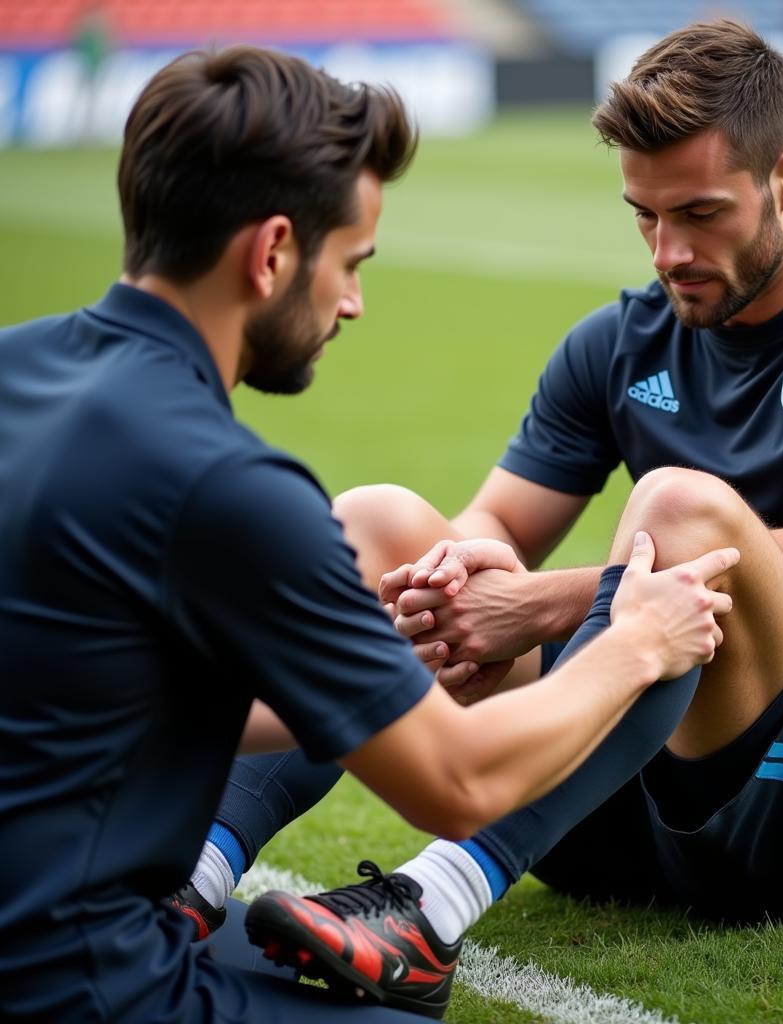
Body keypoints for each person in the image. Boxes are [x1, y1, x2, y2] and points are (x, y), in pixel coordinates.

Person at [194, 17, 783, 1019]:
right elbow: (488, 523)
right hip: (613, 804)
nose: (671, 251)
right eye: (644, 216)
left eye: (700, 213)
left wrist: (535, 608)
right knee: (381, 526)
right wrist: (456, 574)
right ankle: (190, 871)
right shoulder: (621, 340)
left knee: (681, 508)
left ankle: (429, 904)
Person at [0, 45, 739, 1024]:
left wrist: (363, 671)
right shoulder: (232, 485)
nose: (352, 302)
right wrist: (638, 643)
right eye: (349, 264)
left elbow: (100, 682)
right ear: (270, 255)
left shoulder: (18, 368)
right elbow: (458, 781)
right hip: (77, 987)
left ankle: (203, 876)